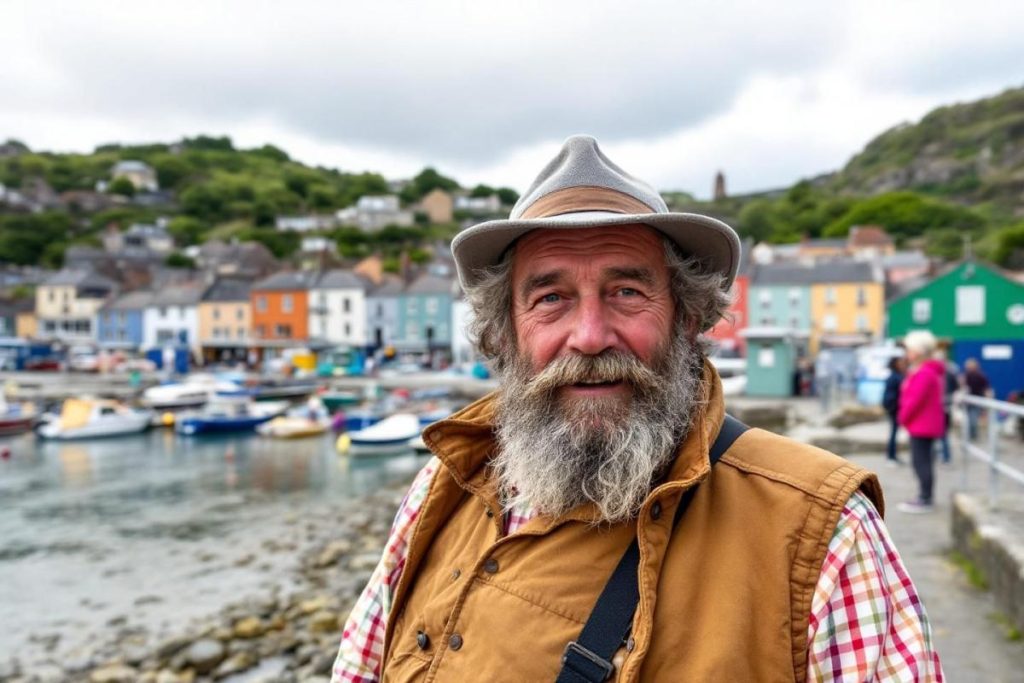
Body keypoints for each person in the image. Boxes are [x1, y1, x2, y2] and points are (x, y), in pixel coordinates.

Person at [331, 136, 942, 681]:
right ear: (505, 332)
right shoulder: (443, 486)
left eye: (627, 291)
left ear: (690, 315)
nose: (590, 335)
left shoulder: (821, 534)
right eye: (551, 297)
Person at [897, 331, 946, 513]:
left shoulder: (924, 373)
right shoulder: (927, 371)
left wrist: (902, 418)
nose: (907, 353)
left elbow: (914, 400)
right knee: (923, 461)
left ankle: (925, 498)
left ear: (918, 351)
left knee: (921, 462)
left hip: (922, 425)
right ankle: (925, 496)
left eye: (909, 349)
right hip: (924, 424)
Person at [882, 355, 907, 465]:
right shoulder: (894, 377)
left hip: (895, 407)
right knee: (893, 432)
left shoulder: (898, 376)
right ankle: (891, 457)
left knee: (895, 432)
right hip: (895, 408)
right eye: (900, 362)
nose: (902, 364)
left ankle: (893, 455)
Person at [962, 358, 992, 440]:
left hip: (977, 400)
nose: (968, 368)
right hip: (968, 400)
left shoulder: (981, 376)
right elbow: (963, 386)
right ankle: (970, 435)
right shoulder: (966, 375)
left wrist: (988, 400)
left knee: (973, 419)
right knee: (969, 419)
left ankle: (973, 435)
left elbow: (987, 388)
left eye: (970, 366)